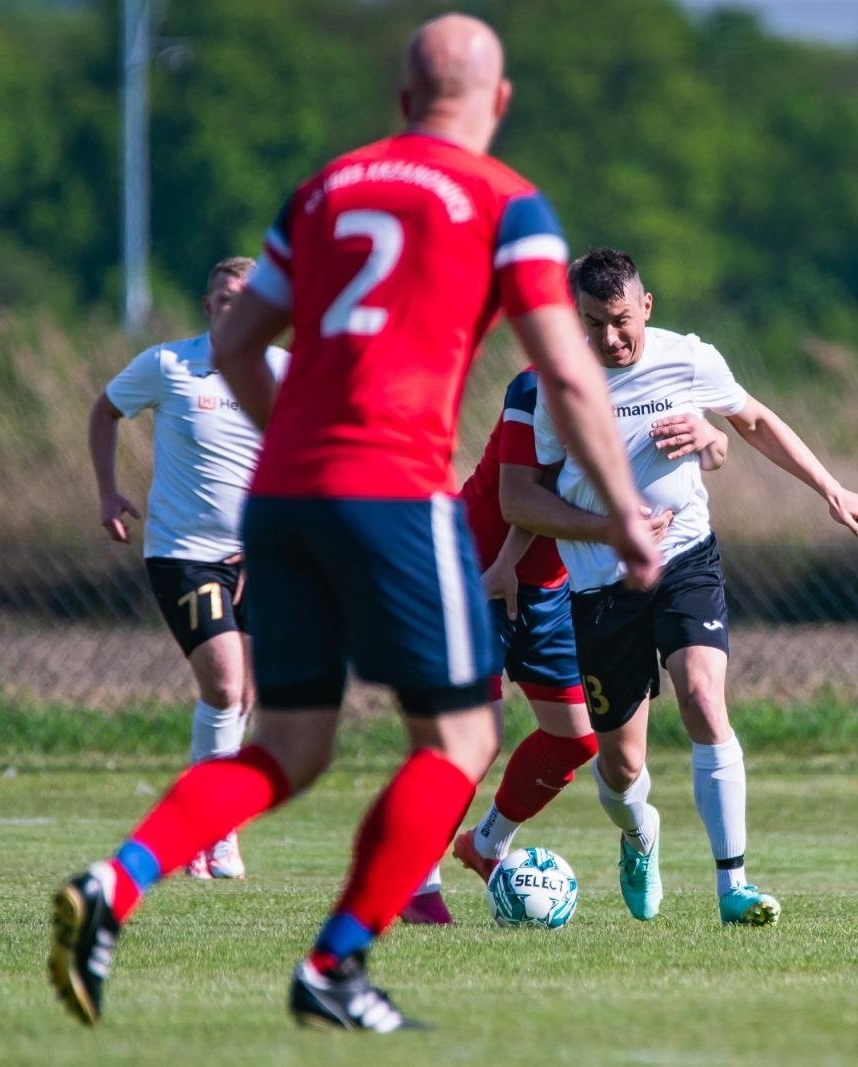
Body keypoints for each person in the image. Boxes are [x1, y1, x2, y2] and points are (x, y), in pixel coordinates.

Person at [49, 13, 659, 1034]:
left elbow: (239, 345)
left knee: (288, 742)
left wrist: (295, 443)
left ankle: (115, 884)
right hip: (394, 489)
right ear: (497, 103)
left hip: (280, 496)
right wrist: (627, 512)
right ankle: (335, 962)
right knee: (462, 733)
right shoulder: (505, 201)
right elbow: (564, 369)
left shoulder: (325, 190)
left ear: (400, 103)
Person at [521, 247, 858, 927]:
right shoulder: (557, 386)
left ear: (646, 307)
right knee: (623, 769)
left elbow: (755, 422)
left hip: (686, 559)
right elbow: (528, 498)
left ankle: (732, 887)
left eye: (621, 320)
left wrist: (831, 487)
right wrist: (606, 529)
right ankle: (639, 836)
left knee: (705, 698)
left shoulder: (688, 357)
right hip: (602, 590)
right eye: (593, 324)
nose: (610, 338)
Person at [417, 367, 727, 914]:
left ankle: (487, 843)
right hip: (477, 570)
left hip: (552, 586)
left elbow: (713, 433)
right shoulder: (536, 388)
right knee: (472, 737)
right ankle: (416, 883)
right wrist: (507, 562)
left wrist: (711, 438)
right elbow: (529, 490)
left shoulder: (640, 380)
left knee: (575, 738)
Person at [88, 256, 288, 881]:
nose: (236, 307)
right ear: (209, 306)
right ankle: (211, 833)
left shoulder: (284, 372)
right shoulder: (168, 365)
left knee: (250, 695)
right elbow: (105, 412)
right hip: (184, 555)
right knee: (225, 686)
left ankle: (207, 822)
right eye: (225, 297)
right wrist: (108, 492)